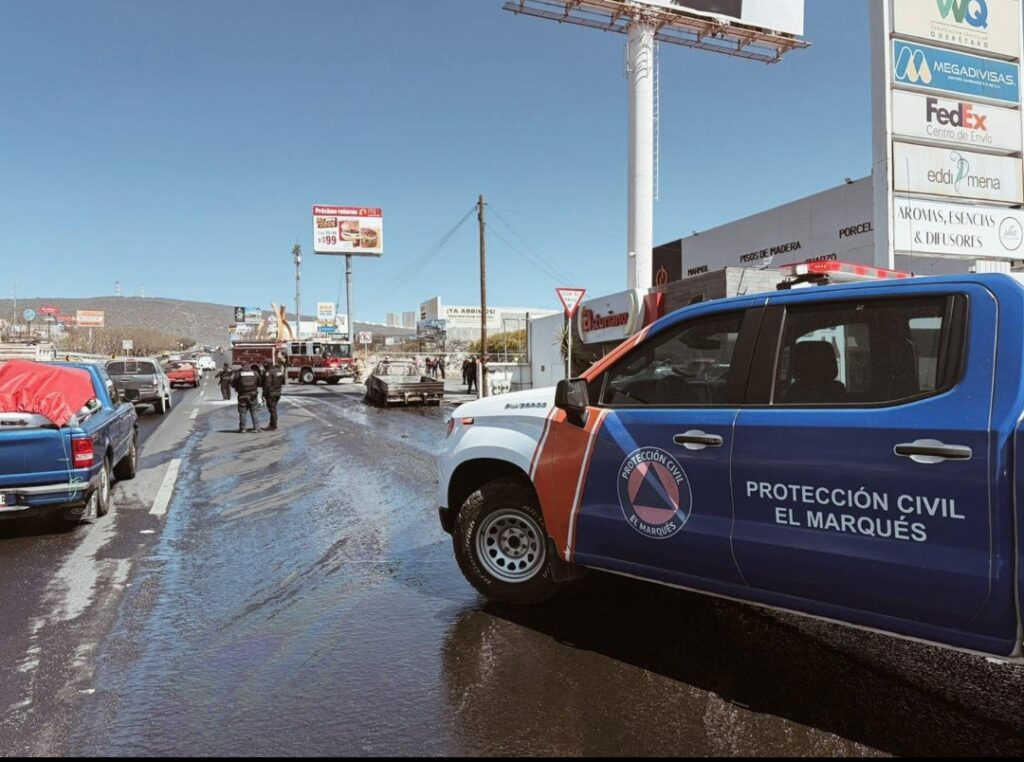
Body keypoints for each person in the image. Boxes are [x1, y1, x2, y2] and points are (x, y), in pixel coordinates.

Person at [231, 364, 261, 433]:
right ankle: (256, 428)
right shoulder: (255, 373)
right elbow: (259, 382)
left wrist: (238, 387)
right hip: (253, 395)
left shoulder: (238, 373)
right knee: (254, 411)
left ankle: (243, 428)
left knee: (242, 412)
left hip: (242, 395)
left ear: (242, 367)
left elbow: (233, 384)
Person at [261, 360, 284, 431]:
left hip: (271, 393)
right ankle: (272, 424)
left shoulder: (268, 372)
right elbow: (282, 381)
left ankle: (273, 425)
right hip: (278, 392)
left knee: (272, 410)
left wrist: (263, 394)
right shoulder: (278, 371)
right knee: (274, 409)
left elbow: (267, 384)